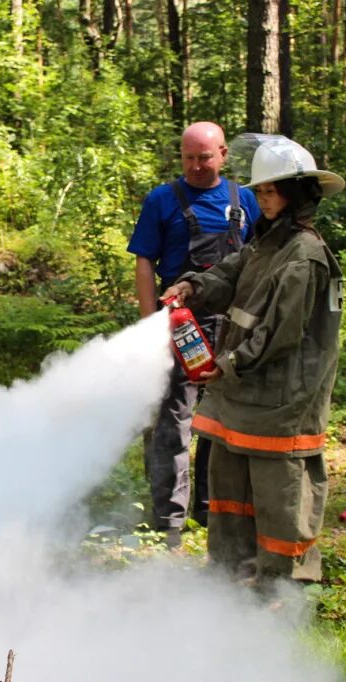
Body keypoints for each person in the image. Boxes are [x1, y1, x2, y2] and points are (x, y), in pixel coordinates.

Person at [161, 135, 345, 586]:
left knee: (278, 497)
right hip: (240, 393)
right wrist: (192, 287)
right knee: (229, 490)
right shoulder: (269, 244)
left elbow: (279, 335)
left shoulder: (304, 257)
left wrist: (228, 363)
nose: (262, 198)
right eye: (260, 191)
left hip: (281, 404)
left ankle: (281, 588)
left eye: (271, 190)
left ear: (298, 193)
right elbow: (230, 270)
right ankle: (229, 577)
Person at [127, 122, 260, 548]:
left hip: (233, 326)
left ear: (223, 154)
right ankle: (168, 519)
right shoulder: (162, 199)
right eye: (189, 158)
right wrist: (152, 324)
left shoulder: (247, 200)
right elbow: (145, 262)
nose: (197, 166)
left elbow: (260, 263)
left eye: (205, 157)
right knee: (171, 419)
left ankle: (209, 508)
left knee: (218, 422)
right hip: (180, 324)